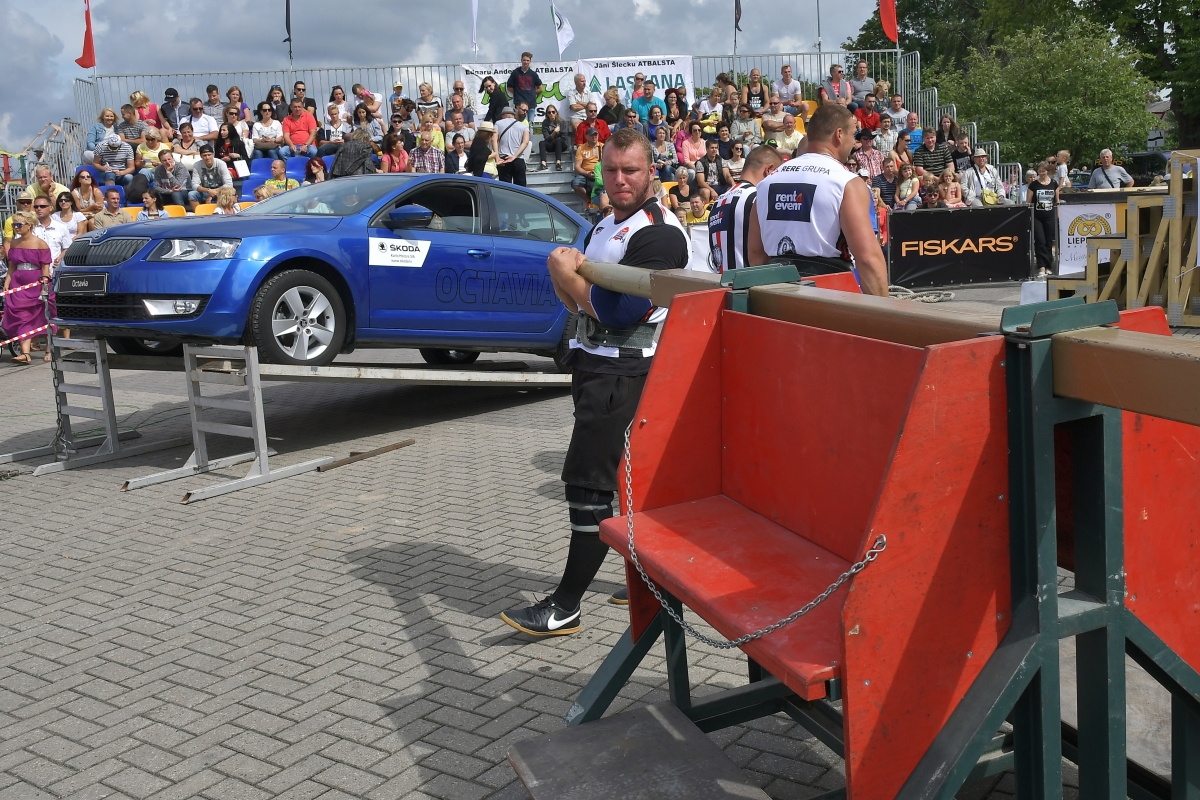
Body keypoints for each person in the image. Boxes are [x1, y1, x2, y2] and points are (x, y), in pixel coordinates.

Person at [500, 127, 691, 637]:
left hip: (627, 369)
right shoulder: (605, 223)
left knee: (587, 485)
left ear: (652, 171)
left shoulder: (660, 232)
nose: (620, 180)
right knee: (626, 481)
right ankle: (646, 577)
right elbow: (582, 304)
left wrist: (566, 276)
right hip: (594, 362)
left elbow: (622, 311)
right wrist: (571, 283)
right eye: (611, 170)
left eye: (631, 170)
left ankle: (565, 606)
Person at [747, 104, 888, 295]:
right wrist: (883, 310)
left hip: (777, 292)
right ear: (839, 134)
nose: (853, 142)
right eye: (852, 135)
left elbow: (756, 253)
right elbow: (868, 259)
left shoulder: (767, 182)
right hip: (830, 291)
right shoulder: (846, 182)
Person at [708, 144, 784, 272]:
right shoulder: (759, 197)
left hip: (720, 281)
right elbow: (761, 255)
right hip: (751, 281)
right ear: (768, 170)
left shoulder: (718, 202)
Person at [1, 211, 53, 365]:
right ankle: (25, 353)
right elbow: (12, 265)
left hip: (36, 281)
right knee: (22, 316)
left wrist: (44, 286)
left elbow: (45, 268)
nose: (15, 227)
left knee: (43, 316)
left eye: (18, 224)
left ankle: (49, 349)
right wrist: (7, 281)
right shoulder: (14, 243)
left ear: (29, 225)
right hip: (18, 282)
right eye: (13, 225)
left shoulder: (40, 244)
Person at [1029, 161, 1061, 272]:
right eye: (1040, 171)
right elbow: (1029, 202)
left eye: (1043, 171)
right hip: (1037, 217)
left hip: (1050, 216)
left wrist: (1058, 215)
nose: (1041, 173)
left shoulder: (1054, 184)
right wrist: (1029, 216)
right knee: (1040, 240)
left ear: (1047, 171)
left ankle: (1048, 265)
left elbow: (1057, 201)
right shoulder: (1033, 185)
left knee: (1048, 241)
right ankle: (1041, 266)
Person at [495, 106, 530, 186]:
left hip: (503, 159)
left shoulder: (498, 123)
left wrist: (497, 157)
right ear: (513, 115)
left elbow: (494, 139)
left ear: (504, 115)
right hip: (519, 159)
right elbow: (526, 142)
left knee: (505, 188)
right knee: (521, 189)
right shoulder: (523, 126)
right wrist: (514, 156)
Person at [573, 127, 603, 206]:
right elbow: (577, 166)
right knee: (576, 183)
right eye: (592, 135)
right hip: (585, 173)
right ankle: (589, 202)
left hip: (600, 172)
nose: (594, 137)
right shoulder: (581, 148)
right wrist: (587, 173)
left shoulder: (602, 147)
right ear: (586, 136)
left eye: (596, 135)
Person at [538, 105, 570, 171]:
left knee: (558, 140)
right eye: (549, 112)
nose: (551, 114)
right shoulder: (545, 123)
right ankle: (543, 164)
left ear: (556, 112)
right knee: (542, 143)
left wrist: (555, 136)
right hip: (551, 144)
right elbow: (547, 139)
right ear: (547, 114)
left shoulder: (561, 122)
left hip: (561, 145)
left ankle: (558, 163)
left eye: (553, 112)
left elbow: (564, 137)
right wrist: (554, 132)